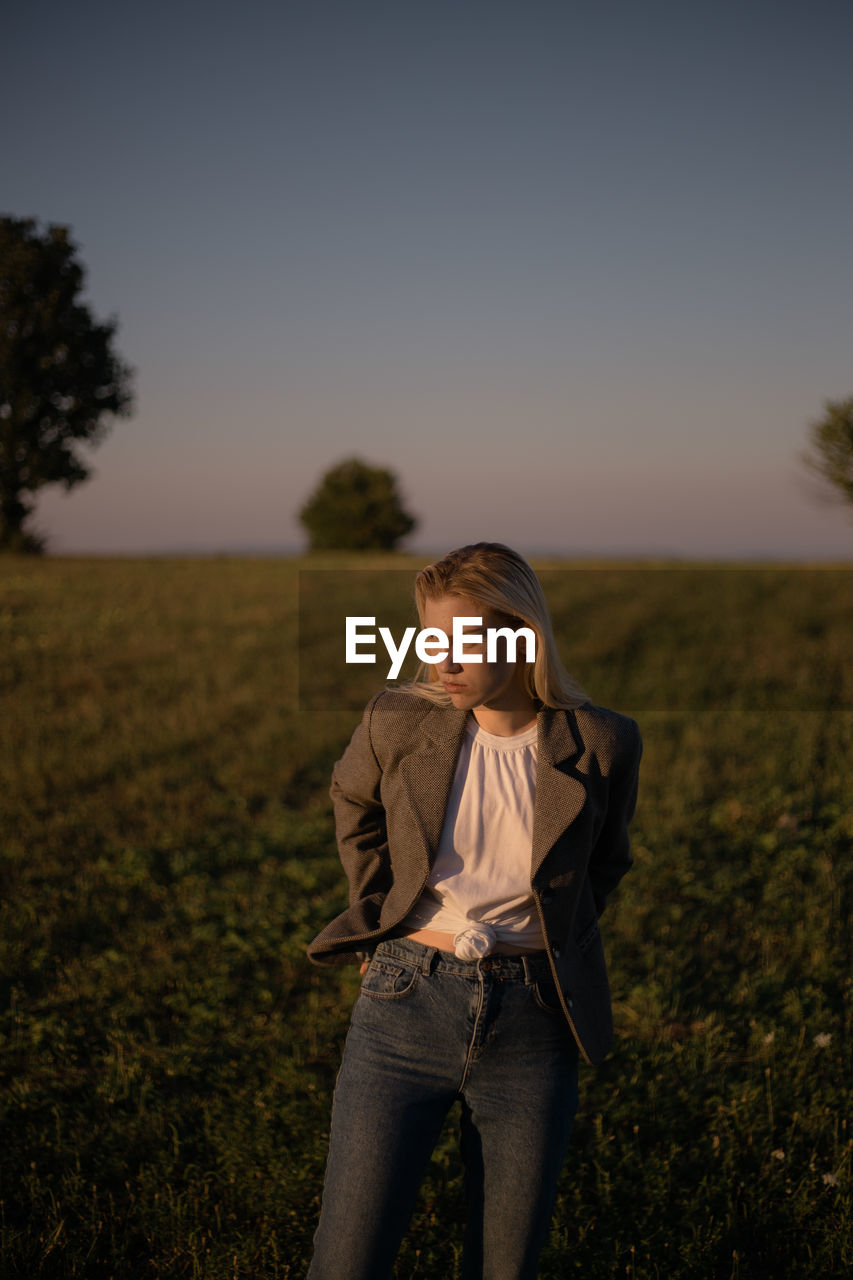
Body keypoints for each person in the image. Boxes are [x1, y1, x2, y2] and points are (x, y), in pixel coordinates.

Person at [306, 542, 642, 1280]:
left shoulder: (602, 741)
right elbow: (351, 802)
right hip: (402, 1004)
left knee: (505, 1263)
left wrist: (554, 936)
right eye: (431, 639)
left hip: (534, 1022)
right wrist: (379, 909)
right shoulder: (396, 719)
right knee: (347, 1257)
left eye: (462, 641)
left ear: (521, 636)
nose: (440, 662)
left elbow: (604, 862)